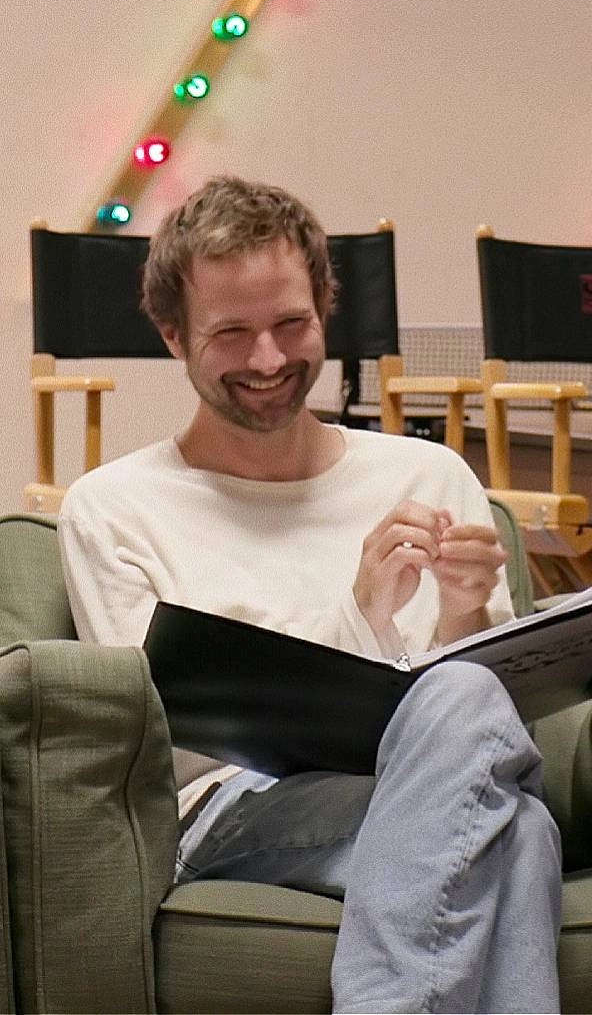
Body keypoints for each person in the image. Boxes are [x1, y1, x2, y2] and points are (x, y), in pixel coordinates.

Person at [58, 176, 561, 1013]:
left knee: (506, 792)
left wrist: (468, 613)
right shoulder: (114, 508)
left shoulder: (429, 475)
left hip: (421, 786)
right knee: (507, 808)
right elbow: (161, 747)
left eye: (291, 324)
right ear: (173, 334)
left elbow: (500, 740)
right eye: (231, 333)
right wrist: (359, 613)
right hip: (229, 813)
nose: (267, 360)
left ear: (325, 307)